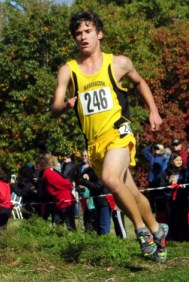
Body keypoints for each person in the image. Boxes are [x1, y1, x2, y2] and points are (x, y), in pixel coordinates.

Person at [51, 11, 167, 262]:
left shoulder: (118, 63)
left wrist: (153, 111)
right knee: (131, 192)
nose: (83, 37)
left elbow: (139, 82)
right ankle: (158, 230)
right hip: (95, 144)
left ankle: (141, 231)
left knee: (110, 179)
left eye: (88, 31)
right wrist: (66, 105)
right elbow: (54, 108)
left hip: (119, 132)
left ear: (99, 34)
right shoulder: (68, 71)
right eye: (78, 33)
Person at [38, 154, 75, 231]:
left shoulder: (48, 173)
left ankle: (76, 241)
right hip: (58, 201)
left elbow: (62, 183)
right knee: (57, 224)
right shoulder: (45, 173)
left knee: (70, 226)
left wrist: (70, 185)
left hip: (65, 201)